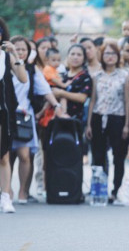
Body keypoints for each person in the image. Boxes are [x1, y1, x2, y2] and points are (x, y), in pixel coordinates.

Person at [9, 36, 64, 204]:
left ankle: (23, 192)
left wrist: (56, 106)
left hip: (25, 116)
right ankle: (6, 190)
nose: (20, 52)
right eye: (16, 49)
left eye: (23, 49)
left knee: (24, 155)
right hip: (6, 116)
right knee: (6, 156)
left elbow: (45, 90)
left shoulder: (32, 70)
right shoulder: (3, 66)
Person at [86, 42, 129, 203]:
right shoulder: (96, 76)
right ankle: (99, 190)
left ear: (118, 56)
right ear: (102, 56)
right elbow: (92, 101)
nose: (109, 56)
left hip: (117, 117)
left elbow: (127, 101)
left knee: (118, 156)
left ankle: (115, 190)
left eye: (113, 53)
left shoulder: (124, 75)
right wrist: (89, 123)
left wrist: (126, 124)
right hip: (98, 117)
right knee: (98, 155)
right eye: (106, 53)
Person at [0, 18, 28, 213]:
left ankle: (6, 196)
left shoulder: (5, 56)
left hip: (3, 111)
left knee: (3, 156)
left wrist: (15, 54)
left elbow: (23, 78)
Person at [52, 44, 92, 122]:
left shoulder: (85, 76)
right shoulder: (62, 75)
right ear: (68, 56)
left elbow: (82, 98)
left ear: (84, 59)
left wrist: (61, 93)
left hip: (74, 119)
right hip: (56, 117)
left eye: (79, 55)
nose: (75, 57)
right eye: (72, 54)